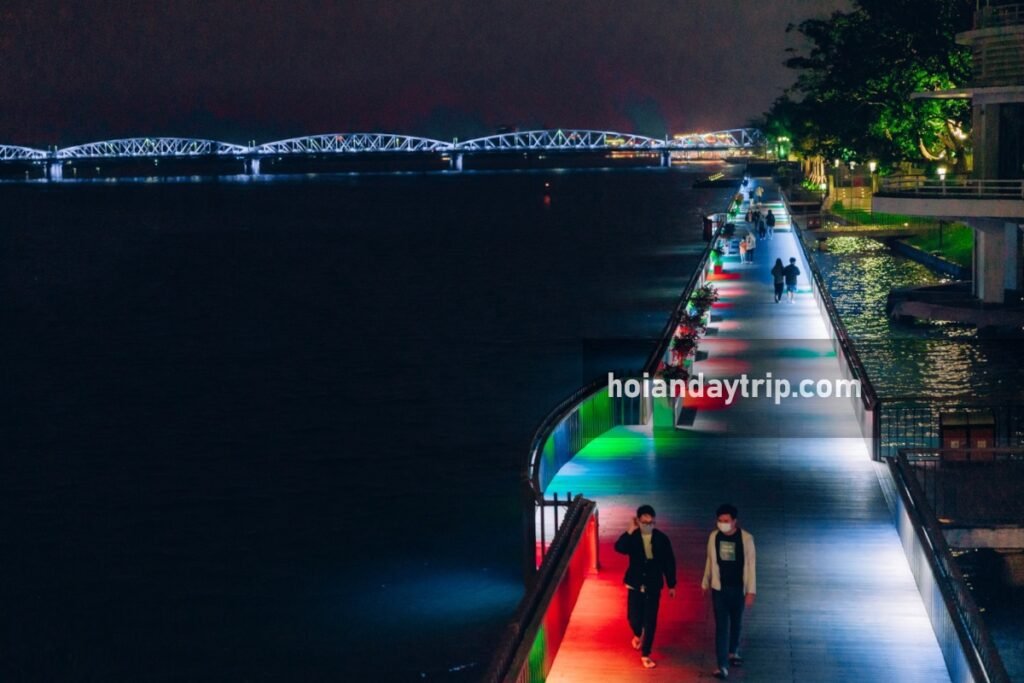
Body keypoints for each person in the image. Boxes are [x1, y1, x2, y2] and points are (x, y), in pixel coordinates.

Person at [614, 504, 677, 669]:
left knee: (650, 620)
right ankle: (637, 633)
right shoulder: (633, 536)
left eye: (651, 523)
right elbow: (619, 548)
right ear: (638, 521)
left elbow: (669, 562)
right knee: (633, 617)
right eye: (644, 522)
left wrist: (671, 584)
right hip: (635, 583)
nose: (648, 526)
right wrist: (629, 530)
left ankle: (646, 653)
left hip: (653, 584)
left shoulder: (661, 539)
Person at [702, 504, 756, 680]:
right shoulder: (714, 537)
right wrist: (705, 581)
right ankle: (722, 665)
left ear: (734, 521)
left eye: (726, 521)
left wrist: (750, 591)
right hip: (719, 589)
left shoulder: (746, 539)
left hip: (738, 588)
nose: (723, 524)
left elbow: (751, 566)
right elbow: (710, 560)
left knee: (736, 622)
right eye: (720, 521)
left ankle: (733, 651)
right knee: (721, 627)